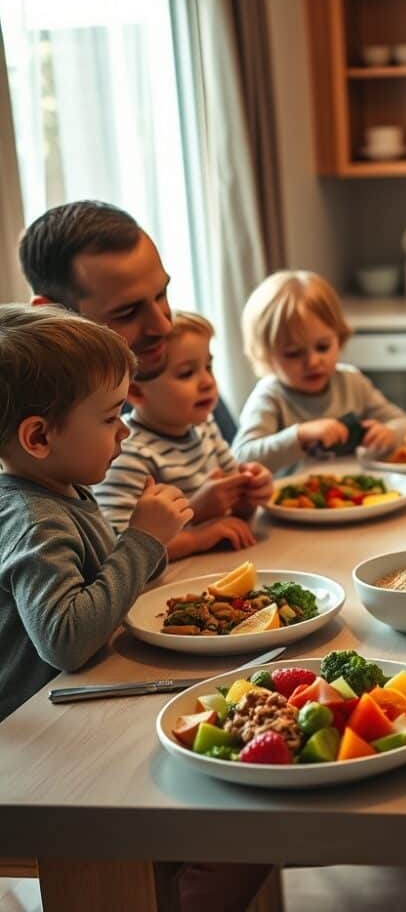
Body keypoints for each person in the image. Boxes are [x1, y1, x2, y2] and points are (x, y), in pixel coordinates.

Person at [0, 304, 192, 722]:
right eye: (111, 417)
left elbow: (106, 581)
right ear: (38, 436)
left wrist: (151, 541)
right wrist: (143, 540)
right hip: (40, 727)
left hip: (82, 696)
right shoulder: (34, 520)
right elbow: (65, 641)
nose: (125, 430)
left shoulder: (66, 488)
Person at [17, 200, 238, 442]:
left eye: (161, 295)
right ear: (54, 313)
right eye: (127, 312)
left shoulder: (176, 373)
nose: (164, 326)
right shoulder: (33, 428)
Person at [94, 312, 273, 560]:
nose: (208, 382)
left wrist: (249, 494)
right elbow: (122, 552)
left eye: (208, 366)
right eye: (187, 373)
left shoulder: (205, 426)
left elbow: (234, 515)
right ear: (135, 392)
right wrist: (197, 531)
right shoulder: (126, 451)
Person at [233, 270, 406, 475]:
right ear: (267, 356)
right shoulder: (270, 396)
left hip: (357, 494)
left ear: (339, 337)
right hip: (293, 502)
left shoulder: (352, 382)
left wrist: (390, 433)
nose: (312, 362)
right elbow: (242, 457)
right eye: (294, 353)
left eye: (322, 347)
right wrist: (299, 435)